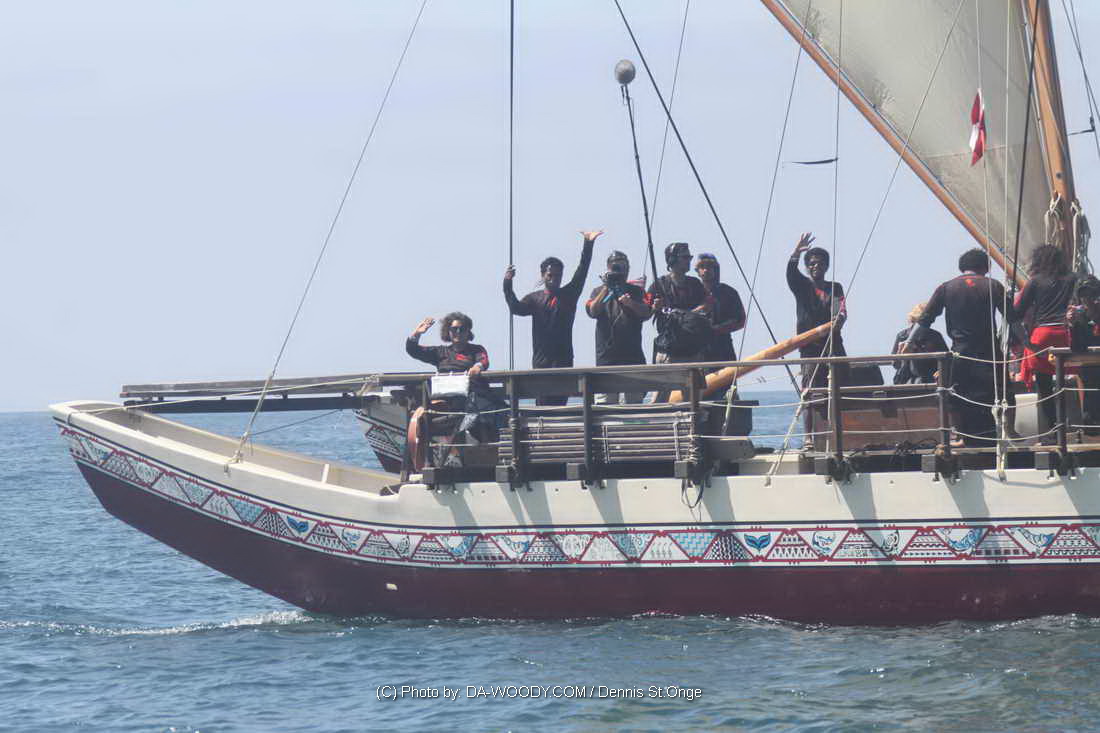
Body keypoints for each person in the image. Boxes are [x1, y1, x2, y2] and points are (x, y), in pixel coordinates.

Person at [909, 248, 1017, 446]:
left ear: (962, 267)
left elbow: (925, 320)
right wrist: (1027, 343)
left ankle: (959, 435)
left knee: (953, 394)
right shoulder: (993, 285)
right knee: (1004, 391)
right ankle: (1009, 431)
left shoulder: (946, 287)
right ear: (985, 266)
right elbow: (1012, 319)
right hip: (989, 351)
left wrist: (908, 343)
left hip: (961, 352)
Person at [503, 230, 600, 406]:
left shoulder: (569, 294)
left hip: (564, 361)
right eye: (550, 275)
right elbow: (516, 308)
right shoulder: (534, 299)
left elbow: (582, 270)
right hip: (541, 363)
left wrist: (588, 243)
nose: (554, 279)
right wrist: (507, 284)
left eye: (558, 275)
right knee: (542, 408)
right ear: (543, 275)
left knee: (560, 407)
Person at [405, 313, 501, 455]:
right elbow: (413, 350)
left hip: (475, 398)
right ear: (448, 331)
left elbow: (483, 360)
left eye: (462, 329)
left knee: (492, 411)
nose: (458, 332)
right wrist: (417, 334)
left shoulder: (476, 349)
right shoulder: (440, 352)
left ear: (468, 332)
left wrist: (478, 367)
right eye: (454, 329)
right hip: (450, 401)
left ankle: (489, 446)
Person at [1014, 245, 1078, 436]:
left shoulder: (1034, 281)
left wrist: (1025, 340)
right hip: (1065, 333)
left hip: (1041, 335)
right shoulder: (1072, 279)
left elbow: (1016, 313)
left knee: (1044, 385)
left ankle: (1052, 428)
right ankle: (1072, 424)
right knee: (1067, 380)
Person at [586, 250, 651, 404]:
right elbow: (592, 311)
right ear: (608, 269)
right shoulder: (597, 291)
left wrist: (630, 303)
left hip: (632, 358)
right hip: (606, 359)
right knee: (605, 406)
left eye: (623, 268)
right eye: (615, 268)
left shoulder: (637, 291)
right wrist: (606, 287)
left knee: (633, 405)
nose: (620, 272)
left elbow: (647, 313)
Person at [786, 233, 848, 391]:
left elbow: (840, 308)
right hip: (810, 346)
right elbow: (791, 273)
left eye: (820, 263)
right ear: (807, 267)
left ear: (826, 267)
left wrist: (839, 319)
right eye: (812, 264)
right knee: (812, 387)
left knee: (843, 383)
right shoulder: (802, 285)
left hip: (833, 344)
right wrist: (796, 253)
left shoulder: (834, 287)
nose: (816, 266)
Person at [646, 241, 709, 365]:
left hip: (693, 352)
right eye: (685, 257)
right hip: (668, 351)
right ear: (672, 259)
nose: (688, 261)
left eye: (689, 257)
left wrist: (686, 315)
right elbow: (644, 313)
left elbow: (707, 305)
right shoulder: (658, 285)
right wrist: (654, 307)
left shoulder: (695, 284)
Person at [694, 252, 746, 362]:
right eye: (702, 267)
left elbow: (740, 320)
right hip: (698, 349)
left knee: (728, 373)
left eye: (709, 267)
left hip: (723, 348)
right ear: (697, 271)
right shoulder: (693, 292)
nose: (706, 270)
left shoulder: (728, 293)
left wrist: (716, 329)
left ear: (715, 269)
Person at [1067, 275, 1100, 433]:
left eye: (1091, 294)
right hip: (1089, 371)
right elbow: (1077, 347)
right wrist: (1072, 325)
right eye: (1083, 295)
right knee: (1090, 415)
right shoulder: (1079, 317)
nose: (1087, 299)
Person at [891, 302, 948, 384]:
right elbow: (895, 365)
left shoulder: (935, 336)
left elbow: (947, 359)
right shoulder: (902, 336)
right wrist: (900, 353)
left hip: (929, 378)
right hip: (905, 378)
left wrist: (940, 371)